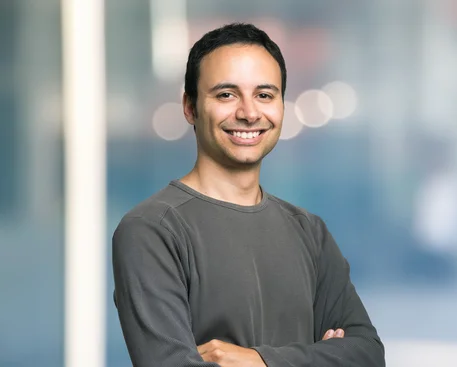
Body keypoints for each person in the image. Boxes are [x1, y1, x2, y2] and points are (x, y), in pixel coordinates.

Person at [112, 22, 385, 367]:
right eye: (226, 94)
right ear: (190, 106)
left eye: (265, 95)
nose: (249, 113)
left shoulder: (309, 232)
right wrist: (320, 357)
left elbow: (367, 355)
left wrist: (258, 361)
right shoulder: (152, 230)